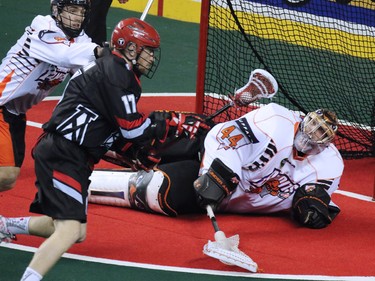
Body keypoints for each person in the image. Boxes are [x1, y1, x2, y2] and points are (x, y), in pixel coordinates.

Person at [0, 17, 209, 281]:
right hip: (64, 154)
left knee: (74, 230)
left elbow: (108, 126)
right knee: (68, 230)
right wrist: (168, 123)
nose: (151, 58)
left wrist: (133, 153)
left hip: (68, 152)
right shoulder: (117, 74)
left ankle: (5, 225)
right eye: (149, 51)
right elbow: (132, 129)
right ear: (131, 48)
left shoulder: (113, 68)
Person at [86, 100, 344, 229]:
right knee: (179, 128)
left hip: (226, 198)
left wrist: (312, 209)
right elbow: (224, 137)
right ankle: (115, 141)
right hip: (212, 160)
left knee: (159, 191)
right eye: (312, 125)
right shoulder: (275, 120)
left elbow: (316, 203)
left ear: (328, 143)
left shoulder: (329, 165)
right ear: (303, 119)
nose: (312, 135)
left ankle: (85, 185)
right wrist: (220, 173)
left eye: (321, 133)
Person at [0, 0, 105, 192]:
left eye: (81, 13)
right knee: (5, 176)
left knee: (10, 177)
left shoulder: (81, 40)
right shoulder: (43, 26)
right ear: (57, 10)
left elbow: (90, 71)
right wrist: (100, 51)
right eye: (72, 11)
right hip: (1, 105)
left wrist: (118, 61)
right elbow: (63, 55)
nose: (77, 18)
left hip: (16, 114)